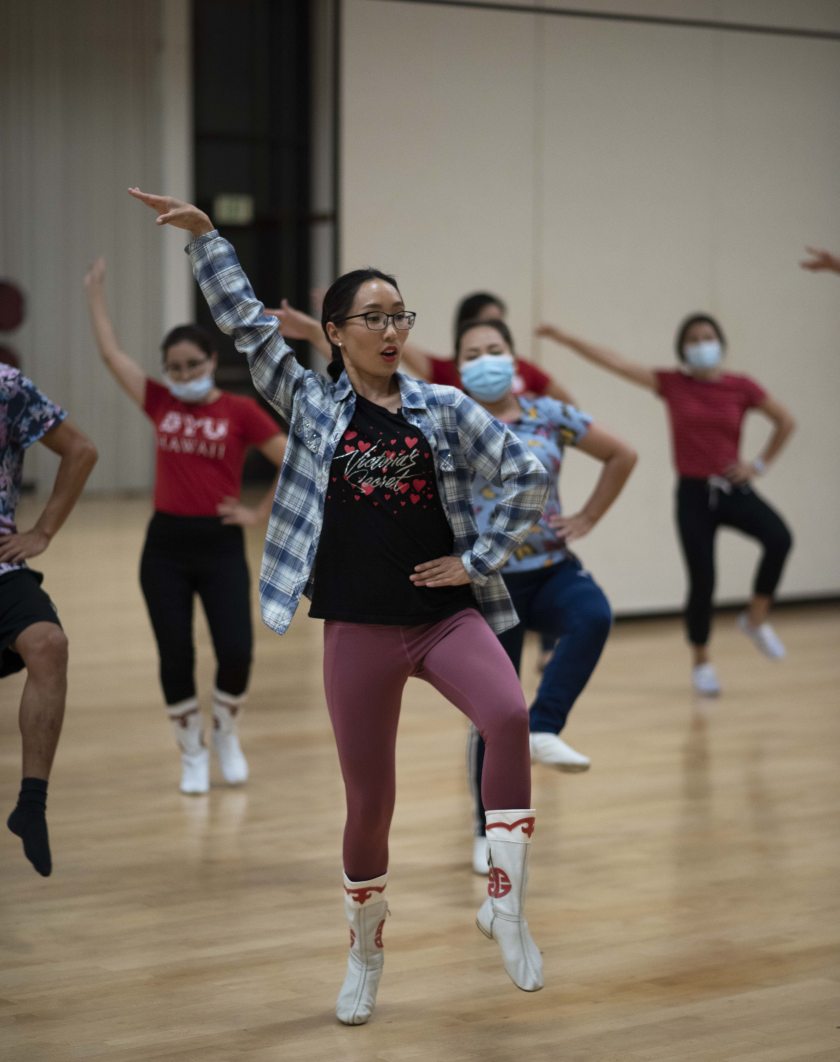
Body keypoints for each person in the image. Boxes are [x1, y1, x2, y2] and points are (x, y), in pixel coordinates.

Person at [129, 186, 551, 1022]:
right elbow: (249, 329)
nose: (393, 330)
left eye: (401, 314)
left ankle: (505, 901)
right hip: (357, 628)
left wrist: (475, 559)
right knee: (371, 802)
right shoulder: (314, 406)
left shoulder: (442, 407)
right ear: (336, 332)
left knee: (507, 715)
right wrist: (208, 239)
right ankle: (364, 952)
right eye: (374, 316)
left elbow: (528, 474)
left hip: (445, 619)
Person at [85, 258, 287, 794]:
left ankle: (225, 734)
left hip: (220, 544)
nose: (183, 375)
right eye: (174, 367)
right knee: (175, 653)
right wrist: (95, 293)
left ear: (211, 360)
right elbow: (112, 355)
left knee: (237, 651)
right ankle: (191, 751)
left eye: (192, 365)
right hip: (165, 546)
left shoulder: (241, 411)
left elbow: (292, 458)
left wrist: (257, 512)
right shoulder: (160, 400)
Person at [455, 318, 636, 873]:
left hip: (552, 567)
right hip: (491, 582)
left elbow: (622, 455)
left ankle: (545, 726)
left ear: (513, 358)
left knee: (593, 615)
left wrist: (588, 516)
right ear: (458, 365)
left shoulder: (548, 414)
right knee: (495, 710)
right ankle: (488, 829)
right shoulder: (448, 418)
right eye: (473, 352)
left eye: (495, 349)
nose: (485, 359)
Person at [537, 315, 796, 696]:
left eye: (707, 337)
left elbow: (785, 421)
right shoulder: (674, 384)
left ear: (720, 343)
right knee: (703, 578)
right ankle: (702, 663)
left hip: (731, 487)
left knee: (780, 538)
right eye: (693, 338)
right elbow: (617, 362)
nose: (701, 343)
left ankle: (755, 620)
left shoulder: (741, 387)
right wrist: (565, 337)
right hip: (693, 495)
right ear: (682, 349)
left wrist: (756, 466)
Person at [1, 366, 98, 875]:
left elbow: (81, 450)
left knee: (48, 644)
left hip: (1, 560)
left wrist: (43, 531)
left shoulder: (6, 386)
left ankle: (31, 805)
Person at [267, 290, 577, 402]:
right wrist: (323, 327)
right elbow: (368, 359)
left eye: (499, 324)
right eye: (485, 321)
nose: (490, 331)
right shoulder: (447, 400)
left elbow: (571, 410)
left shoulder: (537, 411)